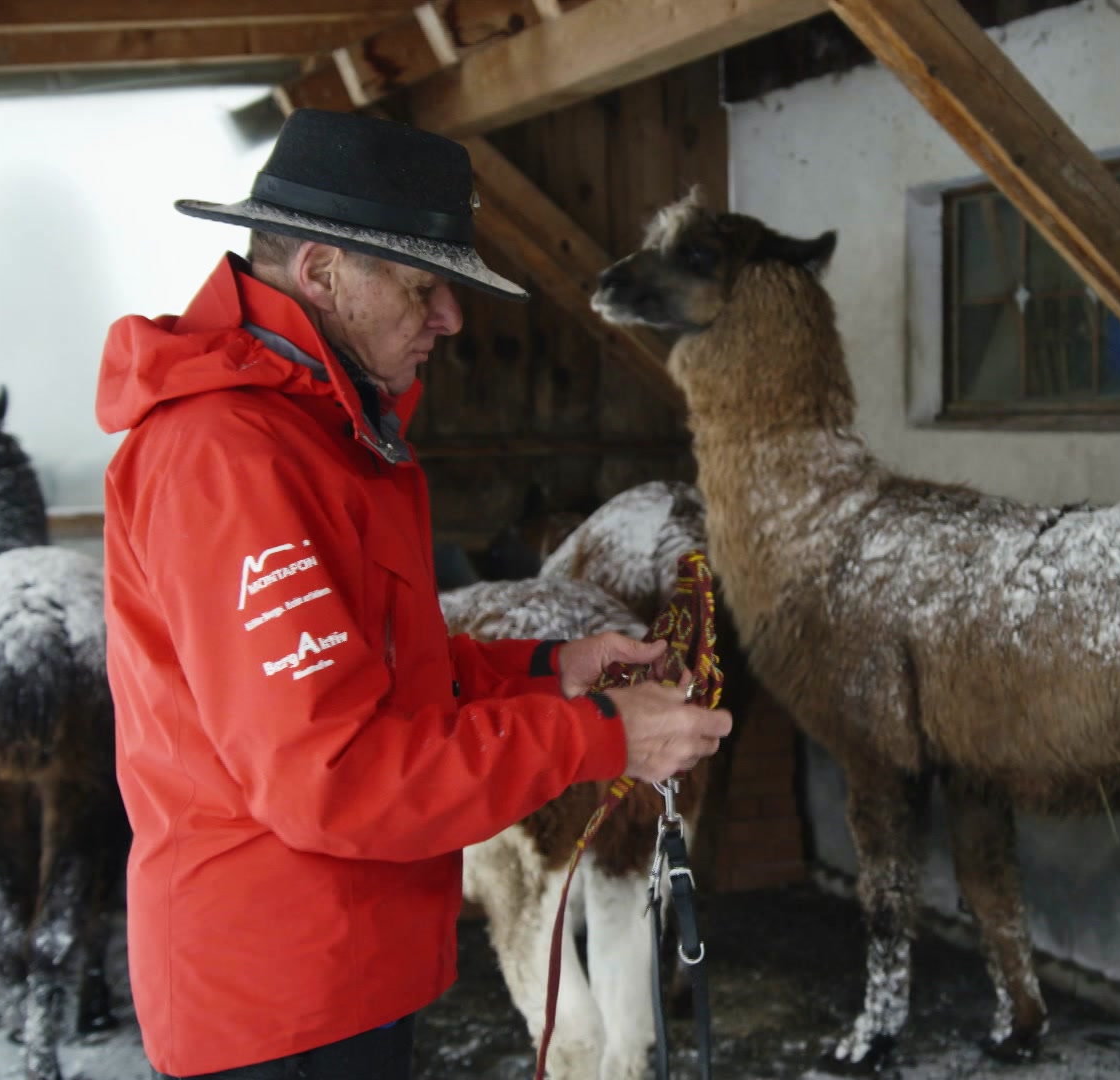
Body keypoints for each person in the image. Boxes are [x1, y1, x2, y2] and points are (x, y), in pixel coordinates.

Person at [95, 109, 731, 1080]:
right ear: (321, 273)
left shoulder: (324, 435)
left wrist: (549, 672)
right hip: (275, 999)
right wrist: (608, 737)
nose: (452, 318)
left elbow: (375, 670)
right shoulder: (230, 460)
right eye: (425, 286)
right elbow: (335, 773)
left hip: (341, 965)